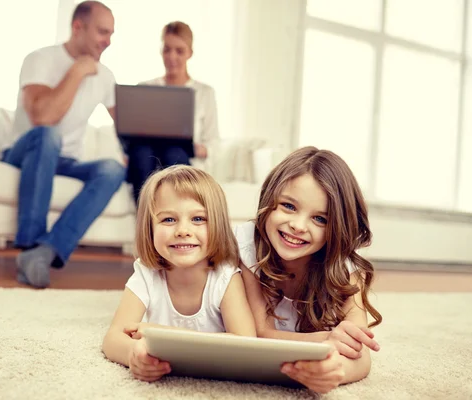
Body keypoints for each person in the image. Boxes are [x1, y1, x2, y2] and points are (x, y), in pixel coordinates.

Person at [235, 146, 383, 394]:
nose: (298, 226)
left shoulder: (343, 267)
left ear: (337, 227)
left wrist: (333, 371)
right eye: (288, 206)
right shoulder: (248, 246)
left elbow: (361, 356)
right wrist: (326, 340)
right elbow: (258, 334)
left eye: (320, 219)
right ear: (268, 199)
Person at [0, 1, 125, 289]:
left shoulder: (105, 76)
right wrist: (77, 71)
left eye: (111, 34)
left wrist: (129, 152)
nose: (108, 41)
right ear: (77, 27)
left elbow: (125, 127)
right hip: (25, 151)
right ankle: (29, 246)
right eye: (102, 32)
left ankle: (46, 251)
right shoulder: (40, 59)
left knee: (111, 169)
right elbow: (44, 117)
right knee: (48, 135)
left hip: (66, 161)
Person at [102, 165, 256, 382]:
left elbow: (246, 343)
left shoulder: (226, 277)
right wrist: (133, 354)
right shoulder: (147, 274)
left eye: (198, 219)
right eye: (168, 220)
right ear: (149, 229)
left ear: (219, 225)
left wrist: (165, 334)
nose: (183, 230)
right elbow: (112, 339)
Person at [126, 21, 220, 204]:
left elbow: (213, 143)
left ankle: (171, 219)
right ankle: (148, 223)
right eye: (167, 49)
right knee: (142, 152)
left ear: (190, 53)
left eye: (179, 51)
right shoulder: (145, 88)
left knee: (173, 152)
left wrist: (196, 147)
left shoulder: (204, 93)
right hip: (147, 157)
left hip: (181, 157)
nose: (172, 57)